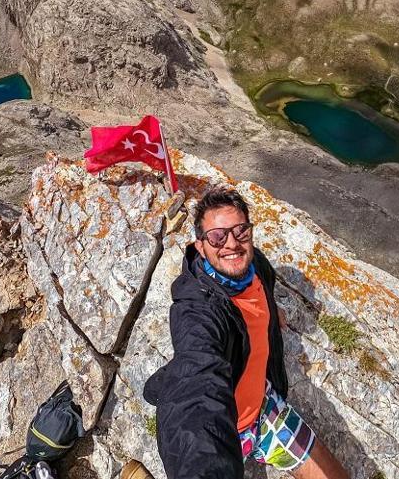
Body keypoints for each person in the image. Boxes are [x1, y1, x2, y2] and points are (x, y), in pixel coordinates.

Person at [144, 187, 350, 479]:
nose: (231, 243)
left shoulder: (254, 266)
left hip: (264, 410)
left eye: (240, 231)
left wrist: (270, 311)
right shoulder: (198, 310)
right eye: (217, 236)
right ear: (200, 247)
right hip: (225, 433)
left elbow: (263, 285)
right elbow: (198, 383)